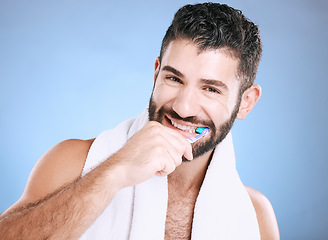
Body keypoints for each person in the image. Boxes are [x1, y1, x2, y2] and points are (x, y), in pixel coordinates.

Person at [0, 2, 280, 239]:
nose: (183, 108)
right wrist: (114, 172)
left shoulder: (255, 214)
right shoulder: (72, 163)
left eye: (211, 89)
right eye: (173, 78)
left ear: (246, 102)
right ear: (157, 72)